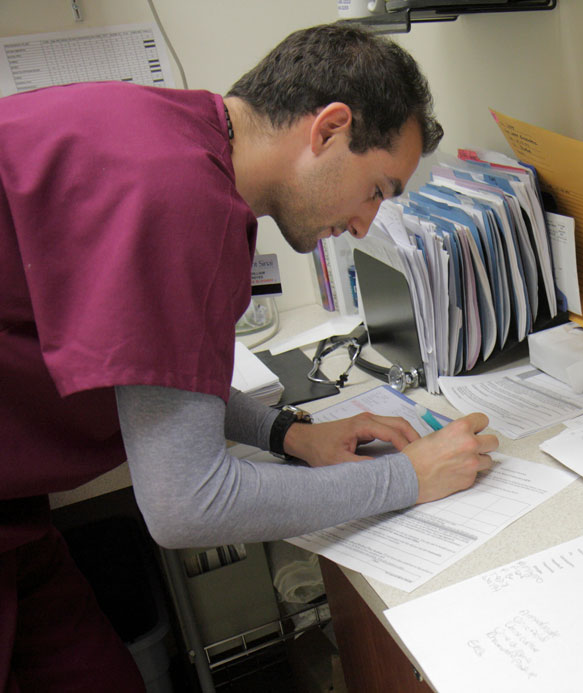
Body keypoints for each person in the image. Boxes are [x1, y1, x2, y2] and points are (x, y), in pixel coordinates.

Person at [0, 22, 498, 691]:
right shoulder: (182, 199)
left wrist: (291, 434)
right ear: (328, 129)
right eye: (378, 188)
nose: (365, 224)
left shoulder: (171, 136)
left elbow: (150, 368)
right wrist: (409, 477)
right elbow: (186, 506)